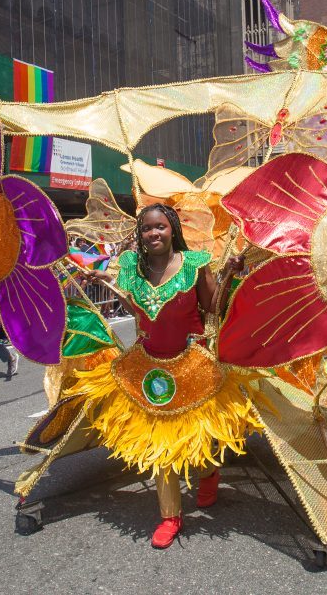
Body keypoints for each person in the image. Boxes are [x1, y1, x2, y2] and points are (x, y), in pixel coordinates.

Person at [80, 204, 251, 549]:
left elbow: (213, 308)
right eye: (146, 229)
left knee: (192, 436)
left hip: (191, 363)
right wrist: (107, 281)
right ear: (140, 235)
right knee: (161, 443)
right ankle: (170, 515)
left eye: (160, 227)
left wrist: (230, 274)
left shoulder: (194, 264)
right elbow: (135, 308)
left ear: (172, 229)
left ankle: (208, 473)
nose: (153, 233)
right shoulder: (129, 267)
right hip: (149, 366)